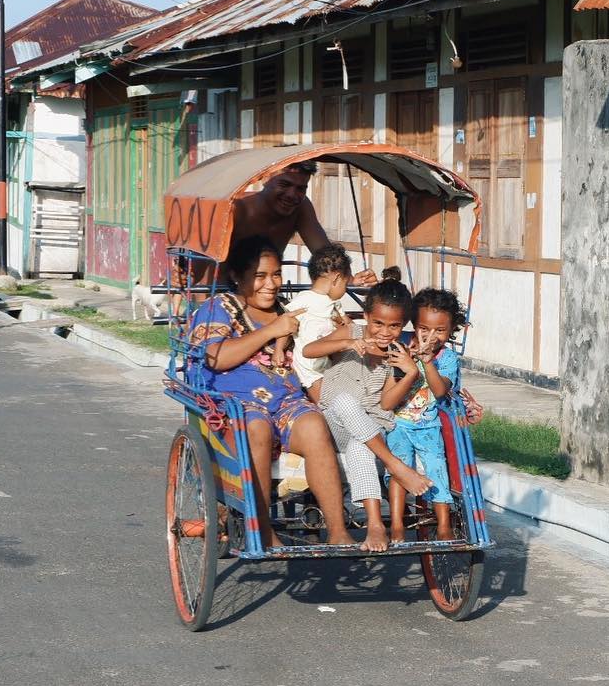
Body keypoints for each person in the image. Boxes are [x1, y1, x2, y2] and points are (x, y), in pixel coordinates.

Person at [188, 235, 354, 550]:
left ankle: (338, 530)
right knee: (258, 428)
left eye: (276, 274)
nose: (271, 283)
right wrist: (270, 331)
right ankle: (263, 530)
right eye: (260, 276)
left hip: (288, 402)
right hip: (236, 406)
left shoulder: (289, 309)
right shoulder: (218, 307)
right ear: (238, 276)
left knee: (315, 426)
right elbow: (215, 357)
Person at [305, 270, 434, 551]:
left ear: (402, 326)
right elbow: (309, 350)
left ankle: (375, 525)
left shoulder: (398, 351)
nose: (385, 332)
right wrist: (348, 343)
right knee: (343, 401)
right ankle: (395, 465)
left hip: (371, 427)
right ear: (366, 316)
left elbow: (387, 404)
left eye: (394, 326)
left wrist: (410, 373)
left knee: (360, 447)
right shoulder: (351, 331)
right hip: (334, 422)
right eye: (378, 323)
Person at [380, 286, 468, 542]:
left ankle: (443, 524)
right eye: (424, 329)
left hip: (429, 426)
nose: (431, 336)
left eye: (440, 330)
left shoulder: (448, 358)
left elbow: (440, 391)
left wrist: (428, 361)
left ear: (451, 331)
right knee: (399, 468)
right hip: (399, 422)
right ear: (414, 325)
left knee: (437, 468)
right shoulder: (402, 345)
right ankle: (396, 523)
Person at [230, 161, 378, 286]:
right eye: (284, 184)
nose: (291, 195)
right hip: (224, 289)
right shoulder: (237, 208)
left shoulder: (300, 208)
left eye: (300, 189)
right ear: (265, 178)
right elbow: (210, 265)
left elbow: (324, 253)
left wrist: (350, 280)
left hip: (270, 289)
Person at [278, 242, 353, 403]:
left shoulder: (334, 303)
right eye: (346, 285)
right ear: (337, 279)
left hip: (327, 362)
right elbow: (285, 325)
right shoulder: (304, 300)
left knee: (338, 398)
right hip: (308, 367)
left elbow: (350, 327)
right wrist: (278, 349)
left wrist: (343, 324)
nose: (345, 290)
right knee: (324, 405)